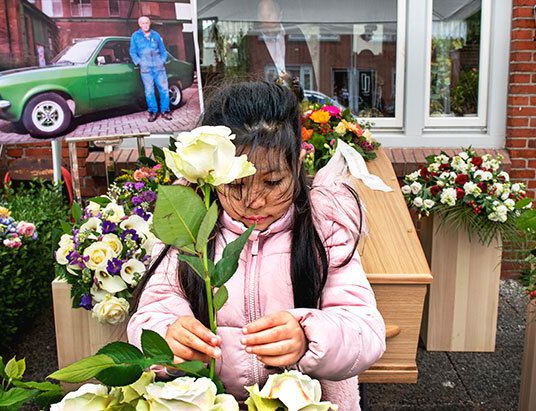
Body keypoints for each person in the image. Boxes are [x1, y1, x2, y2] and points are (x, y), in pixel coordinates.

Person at [127, 81, 385, 409]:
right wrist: (167, 335)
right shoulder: (188, 224)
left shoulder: (323, 225)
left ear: (298, 163)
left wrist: (309, 338)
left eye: (273, 182)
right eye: (235, 183)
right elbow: (155, 306)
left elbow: (365, 328)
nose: (253, 201)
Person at [130, 16, 172, 122]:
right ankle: (153, 112)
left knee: (164, 89)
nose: (145, 25)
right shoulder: (135, 36)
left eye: (147, 23)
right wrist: (140, 62)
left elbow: (163, 51)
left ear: (150, 23)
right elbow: (133, 52)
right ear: (139, 24)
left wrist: (162, 61)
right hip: (146, 69)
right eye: (143, 23)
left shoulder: (156, 35)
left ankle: (165, 111)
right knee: (149, 91)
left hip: (159, 68)